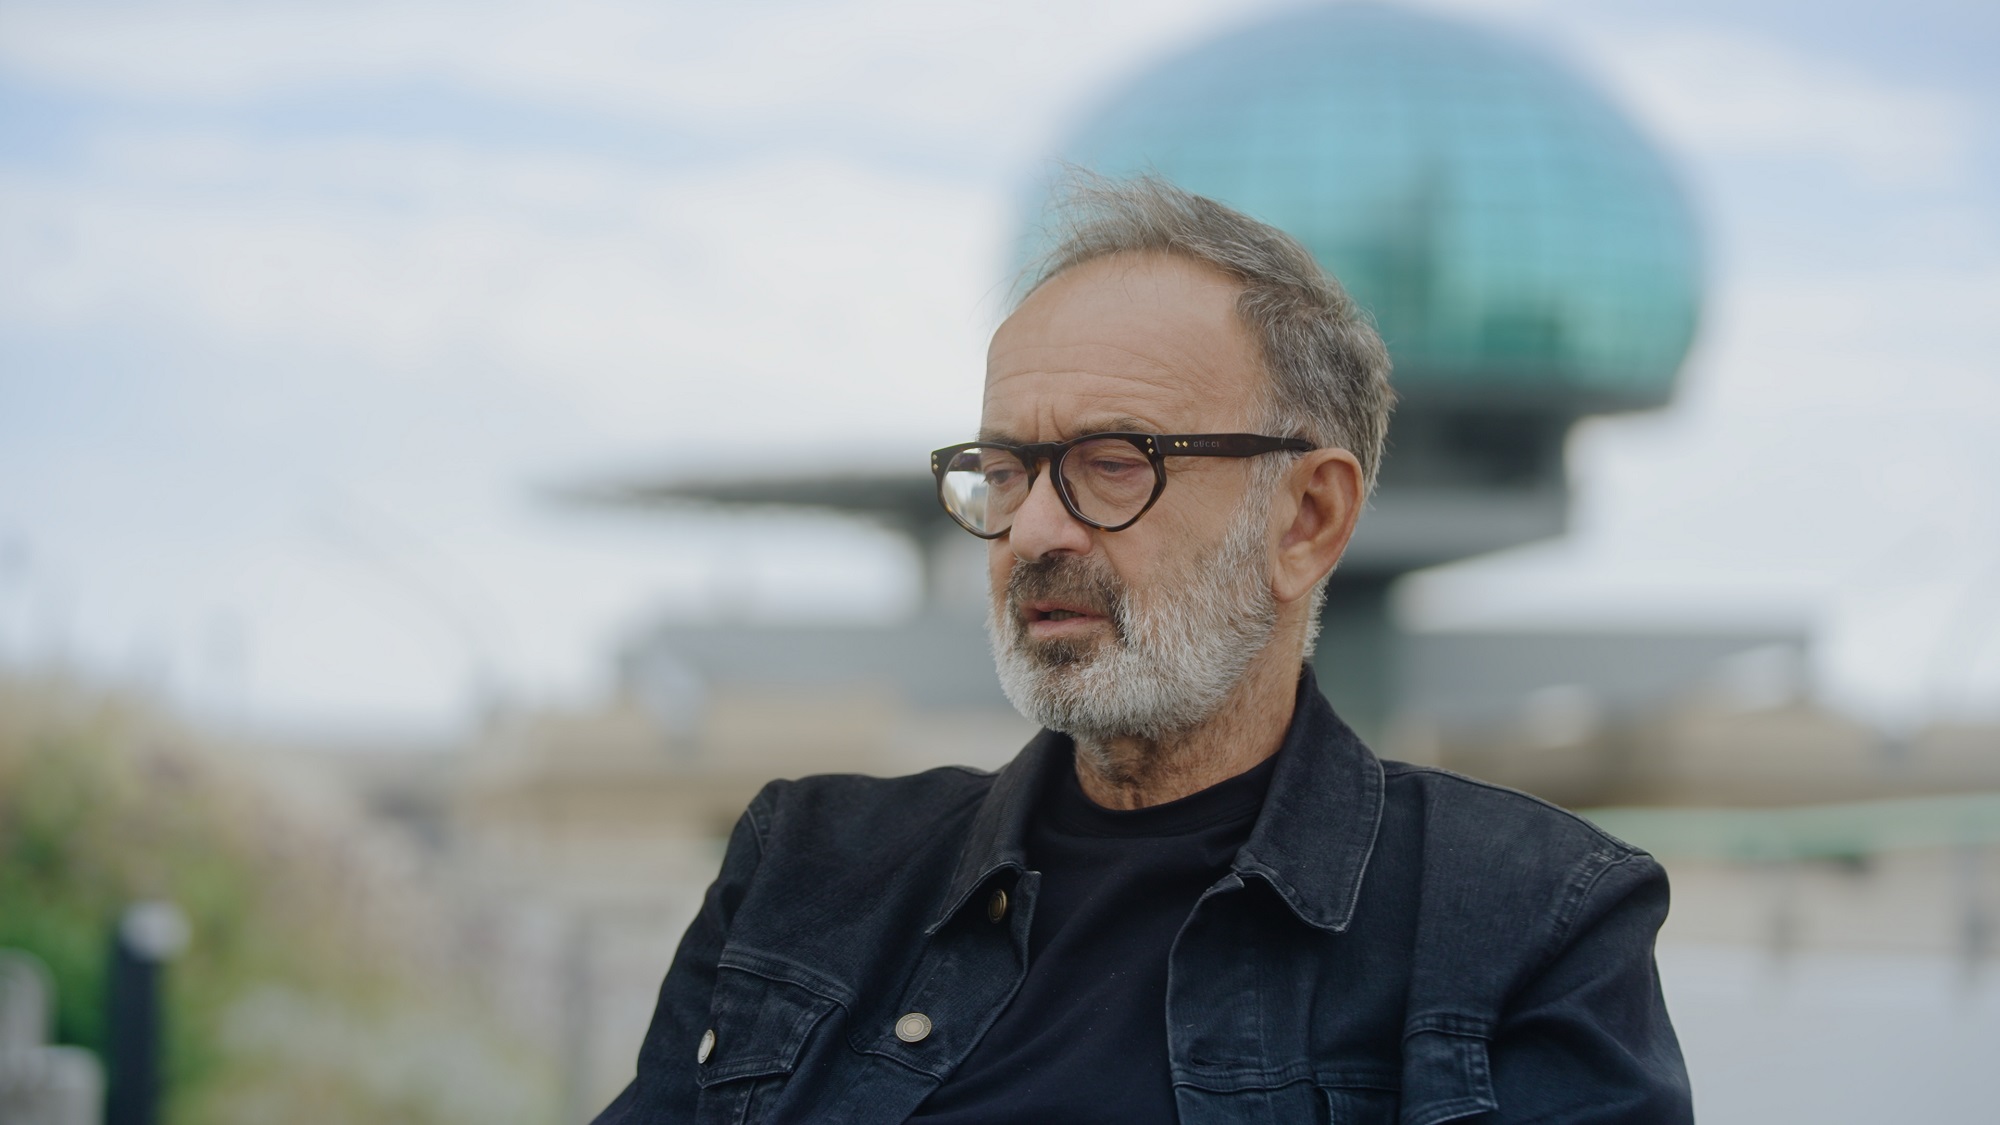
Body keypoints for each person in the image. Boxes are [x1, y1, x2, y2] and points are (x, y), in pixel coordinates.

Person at [594, 176, 1691, 1124]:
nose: (1031, 530)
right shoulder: (803, 869)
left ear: (1306, 519)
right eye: (1005, 470)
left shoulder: (1531, 921)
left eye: (1113, 462)